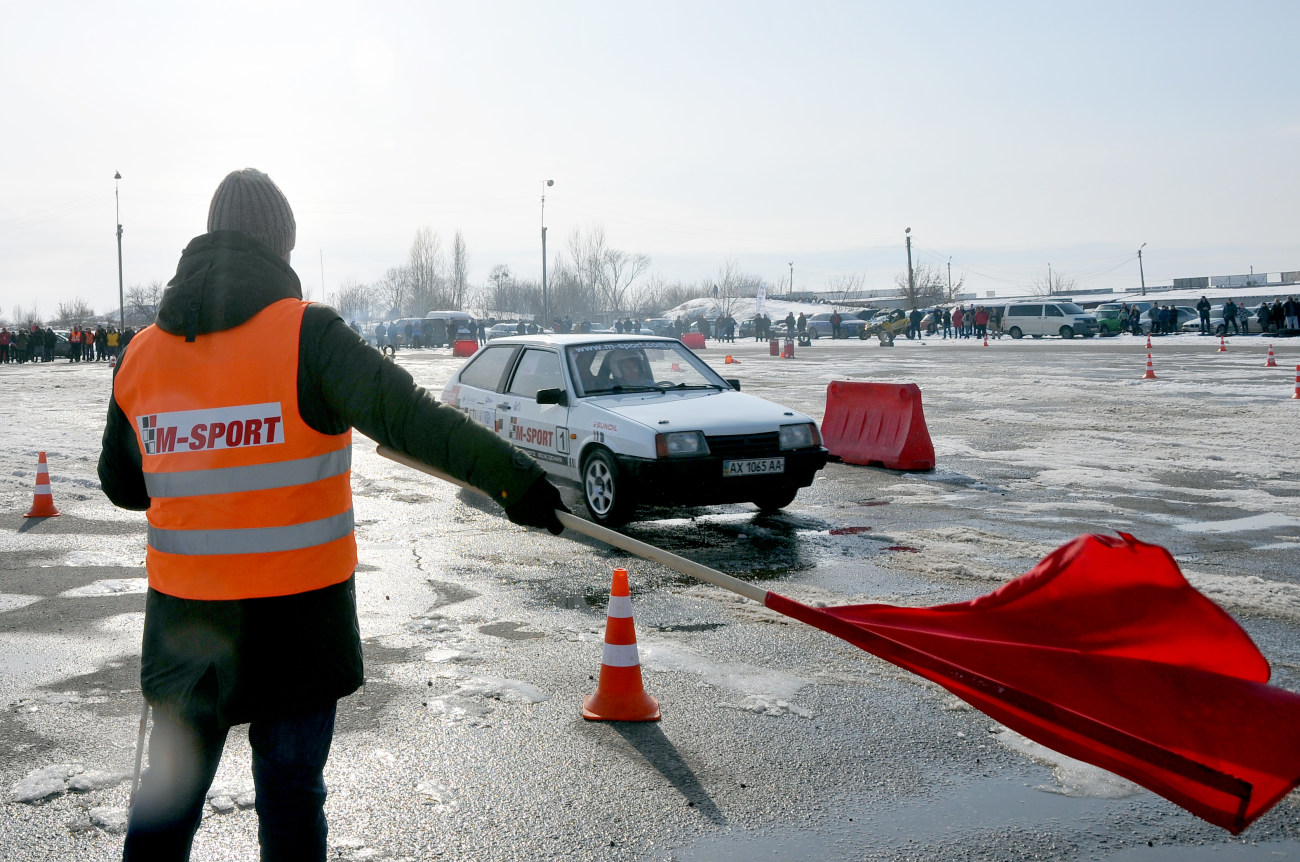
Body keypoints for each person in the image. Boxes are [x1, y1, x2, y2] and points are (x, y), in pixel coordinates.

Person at [99, 168, 565, 861]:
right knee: (289, 803)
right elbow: (412, 419)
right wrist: (515, 483)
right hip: (295, 630)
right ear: (281, 242)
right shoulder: (308, 337)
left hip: (186, 632)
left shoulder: (143, 353)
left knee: (167, 805)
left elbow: (122, 485)